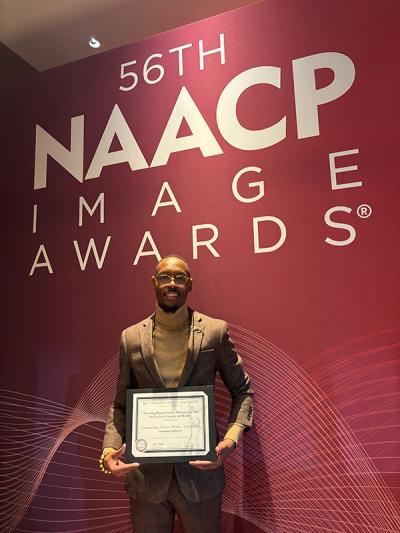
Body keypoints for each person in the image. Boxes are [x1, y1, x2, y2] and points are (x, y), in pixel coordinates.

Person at [100, 254, 253, 533]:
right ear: (153, 283)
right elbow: (121, 404)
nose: (172, 283)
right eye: (165, 277)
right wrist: (109, 448)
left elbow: (242, 390)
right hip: (146, 481)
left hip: (200, 477)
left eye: (179, 278)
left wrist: (231, 439)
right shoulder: (131, 338)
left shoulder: (214, 332)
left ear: (190, 284)